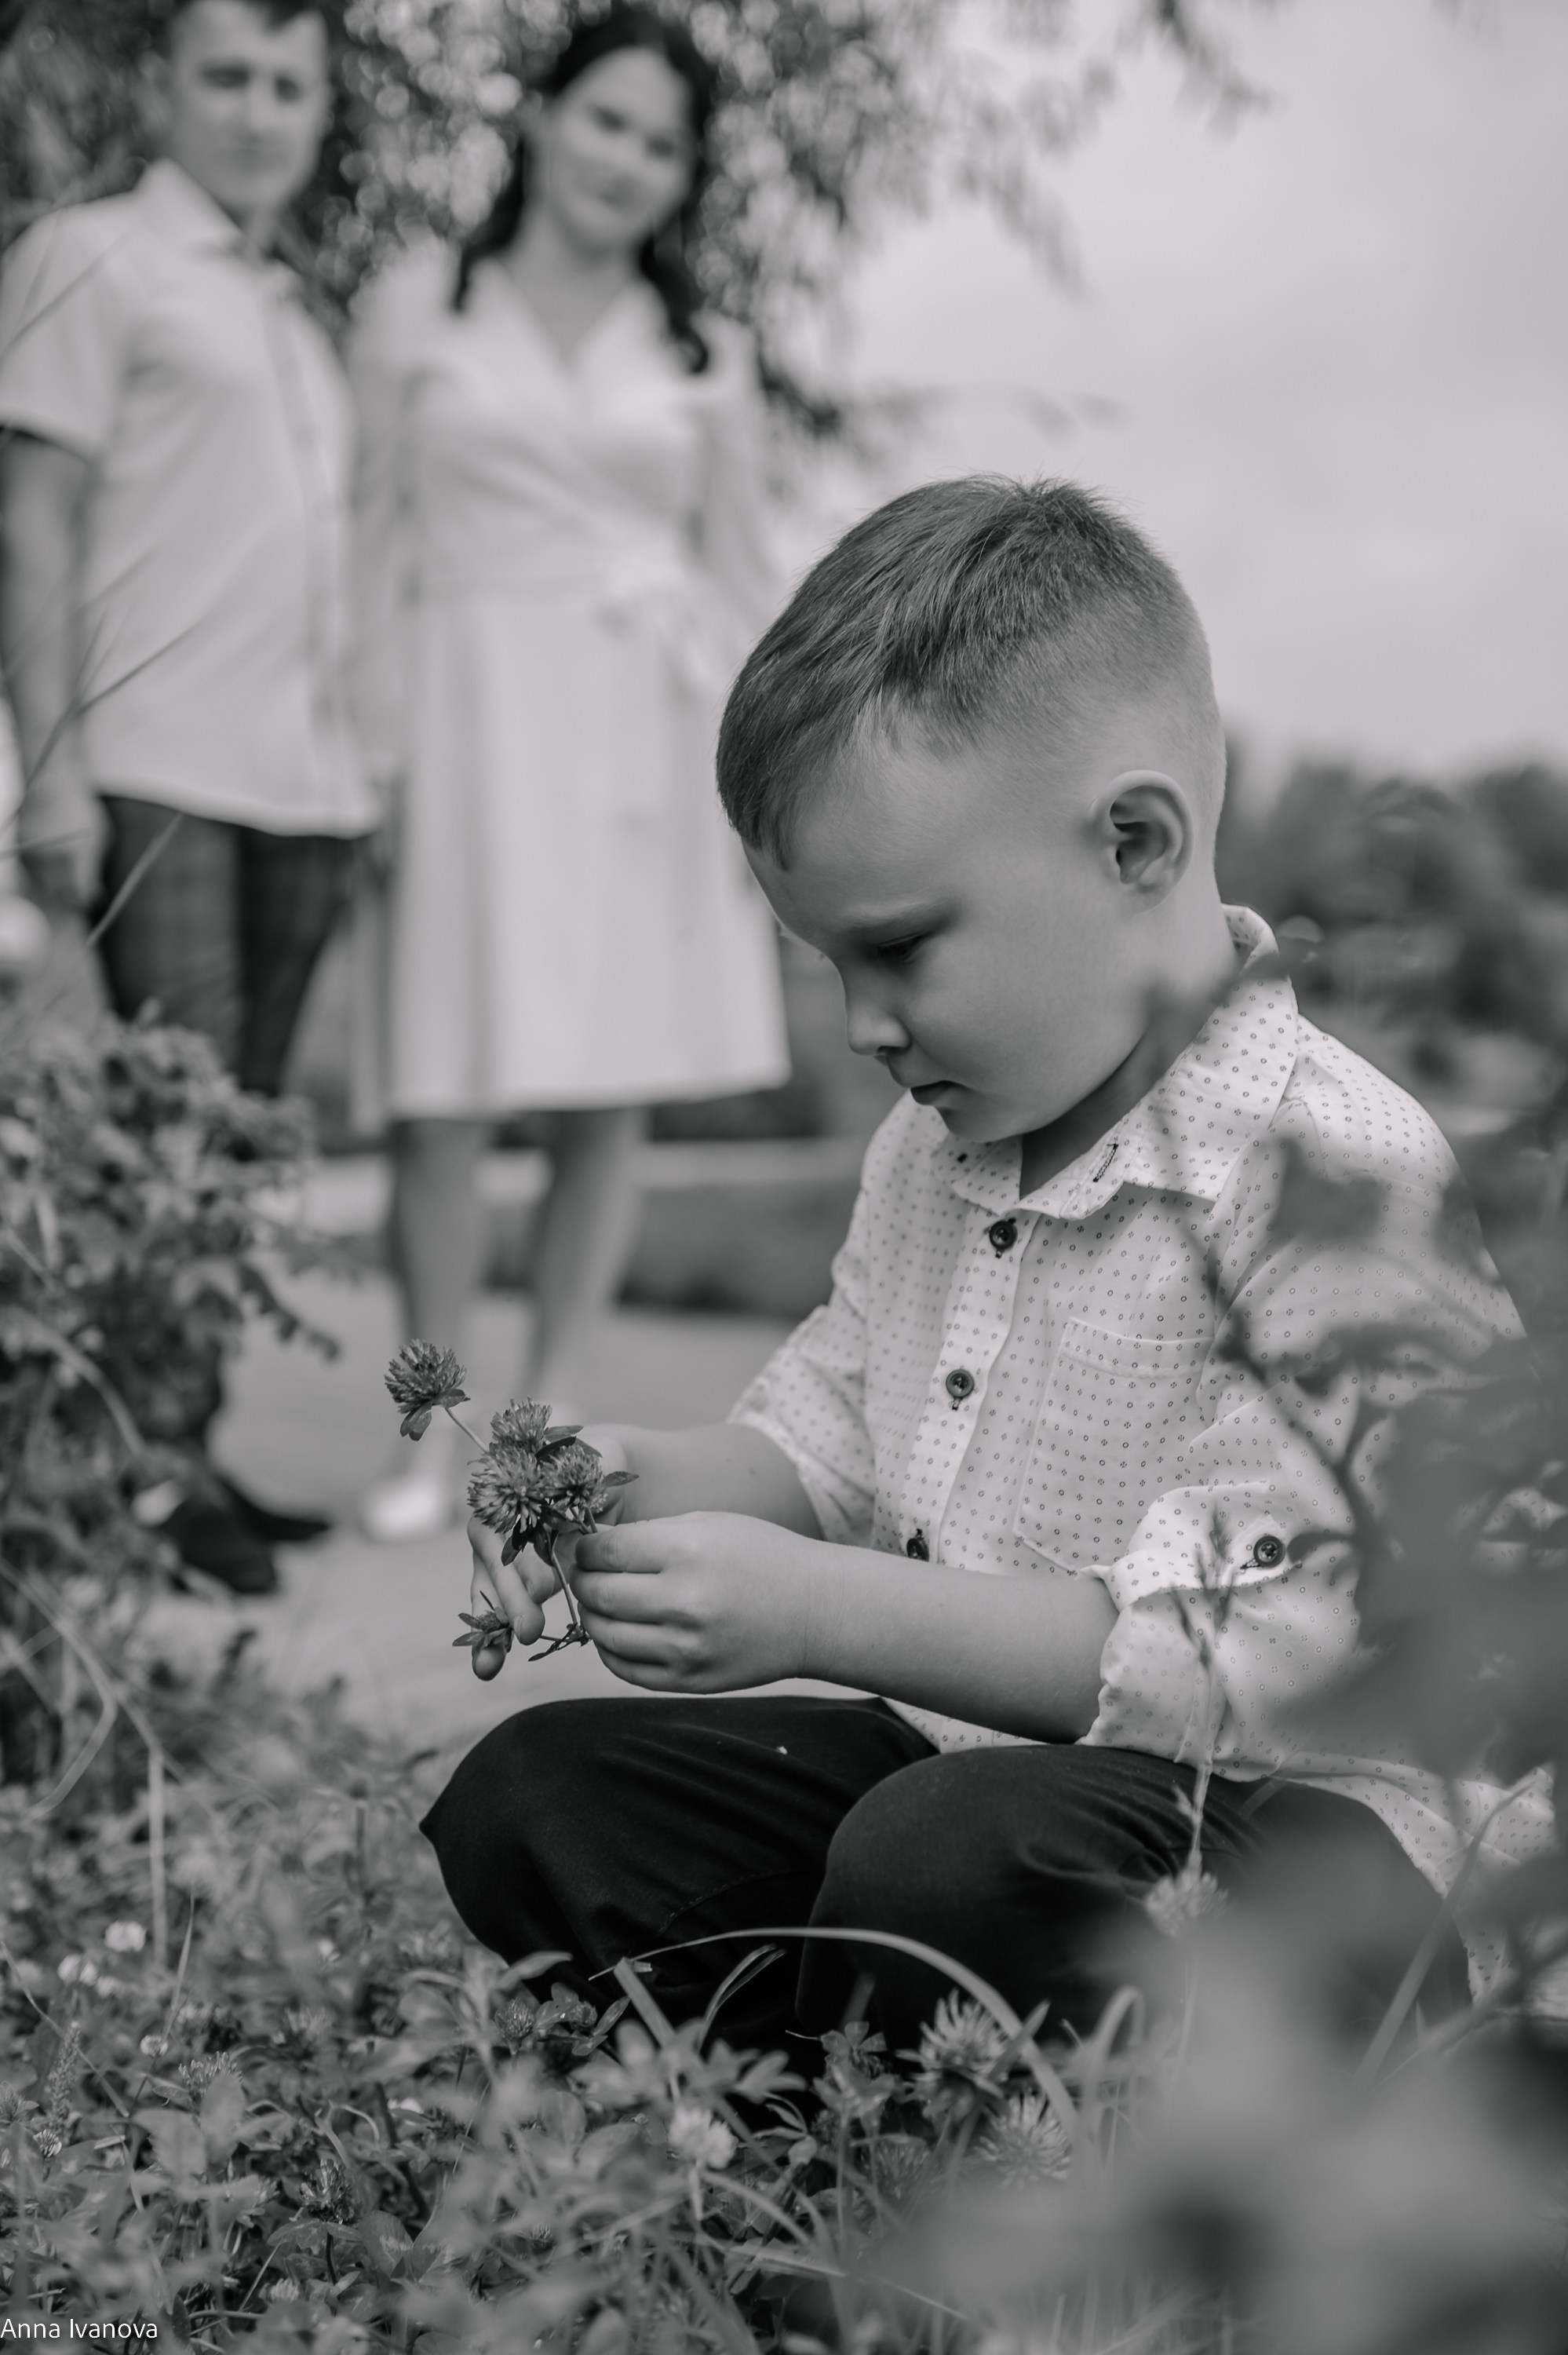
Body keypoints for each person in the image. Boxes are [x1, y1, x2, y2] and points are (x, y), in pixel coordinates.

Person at [420, 477, 1555, 2056]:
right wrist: (622, 1480)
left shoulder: (1339, 1172)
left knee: (943, 1853)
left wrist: (821, 1614)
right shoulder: (933, 1150)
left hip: (1314, 1844)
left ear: (1135, 845)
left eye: (901, 948)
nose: (860, 1024)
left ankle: (1014, 2157)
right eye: (830, 965)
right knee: (538, 1798)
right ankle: (825, 2116)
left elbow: (1249, 1659)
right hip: (977, 1784)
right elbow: (820, 1440)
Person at [351, 6, 789, 1545]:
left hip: (639, 728)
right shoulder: (418, 304)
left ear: (685, 182)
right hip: (463, 702)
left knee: (605, 1100)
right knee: (441, 1096)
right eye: (604, 118)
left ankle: (537, 1432)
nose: (626, 159)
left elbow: (741, 579)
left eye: (663, 144)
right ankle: (430, 1428)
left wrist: (758, 778)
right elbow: (371, 539)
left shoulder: (705, 355)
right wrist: (373, 747)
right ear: (537, 117)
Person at [0, 0, 377, 1592]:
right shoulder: (91, 258)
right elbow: (35, 521)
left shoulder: (296, 312)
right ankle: (134, 1486)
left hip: (302, 782)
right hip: (156, 762)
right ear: (163, 87)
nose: (258, 109)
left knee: (231, 1156)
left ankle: (182, 1450)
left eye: (290, 84)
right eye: (227, 75)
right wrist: (50, 766)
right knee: (161, 1138)